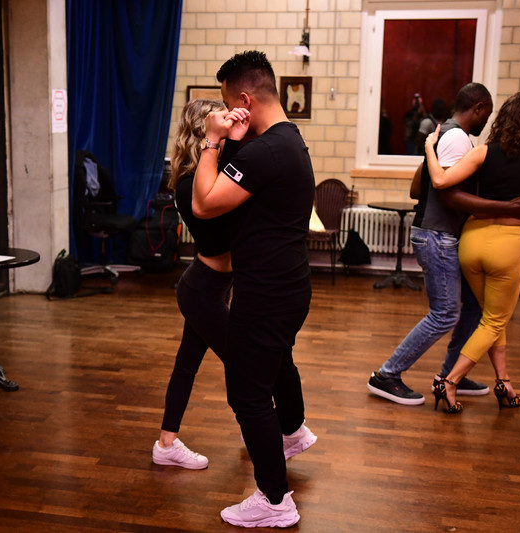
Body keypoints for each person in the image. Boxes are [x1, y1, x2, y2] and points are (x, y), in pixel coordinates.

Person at [192, 50, 316, 528]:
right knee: (275, 365)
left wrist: (212, 140)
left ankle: (275, 501)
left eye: (229, 104)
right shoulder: (286, 141)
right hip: (288, 286)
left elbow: (204, 204)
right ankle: (292, 432)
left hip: (266, 292)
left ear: (244, 99)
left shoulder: (267, 152)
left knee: (247, 393)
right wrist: (235, 143)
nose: (228, 113)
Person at [367, 83, 520, 405]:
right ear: (479, 108)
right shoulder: (457, 138)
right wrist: (506, 207)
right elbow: (449, 195)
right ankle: (386, 375)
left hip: (438, 233)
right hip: (438, 234)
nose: (487, 121)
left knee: (473, 306)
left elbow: (417, 189)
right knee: (444, 314)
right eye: (487, 113)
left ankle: (450, 375)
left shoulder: (444, 134)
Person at [425, 92, 520, 414]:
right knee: (495, 320)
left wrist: (429, 147)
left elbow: (440, 180)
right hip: (507, 246)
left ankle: (503, 381)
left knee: (490, 317)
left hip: (472, 242)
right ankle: (449, 381)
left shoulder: (483, 152)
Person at [151, 99, 231, 470]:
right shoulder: (189, 185)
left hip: (215, 286)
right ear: (203, 131)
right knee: (242, 360)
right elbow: (221, 236)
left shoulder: (216, 174)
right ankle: (264, 431)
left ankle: (166, 443)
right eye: (221, 124)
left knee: (187, 364)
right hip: (202, 290)